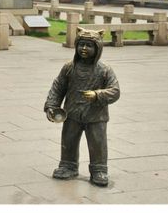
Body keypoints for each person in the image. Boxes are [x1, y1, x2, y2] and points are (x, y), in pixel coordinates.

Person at [44, 27, 120, 187]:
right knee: (69, 140)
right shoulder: (69, 67)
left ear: (97, 48)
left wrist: (97, 95)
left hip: (96, 116)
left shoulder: (104, 70)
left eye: (89, 45)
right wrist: (52, 105)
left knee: (97, 143)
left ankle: (99, 170)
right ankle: (68, 165)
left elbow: (115, 91)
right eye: (81, 44)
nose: (84, 48)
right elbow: (58, 87)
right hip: (72, 113)